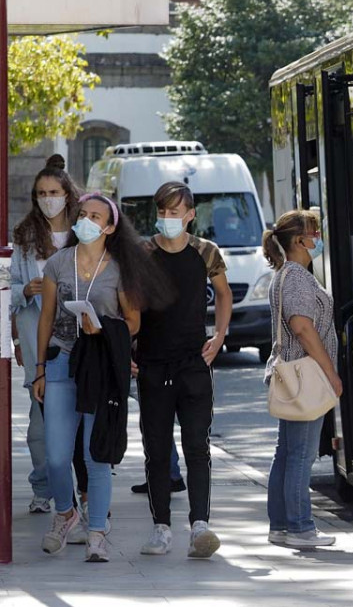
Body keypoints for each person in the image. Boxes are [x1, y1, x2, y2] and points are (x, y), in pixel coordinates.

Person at [33, 192, 167, 562]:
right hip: (62, 362)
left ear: (109, 227)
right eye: (83, 214)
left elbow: (134, 321)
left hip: (103, 365)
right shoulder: (58, 263)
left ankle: (96, 532)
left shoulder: (120, 268)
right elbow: (45, 318)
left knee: (98, 454)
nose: (87, 220)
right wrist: (40, 368)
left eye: (96, 216)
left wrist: (102, 329)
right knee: (58, 457)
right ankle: (65, 512)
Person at [135, 182, 232, 558]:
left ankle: (200, 527)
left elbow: (223, 293)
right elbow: (129, 304)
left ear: (190, 214)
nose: (167, 219)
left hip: (194, 362)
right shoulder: (142, 253)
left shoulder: (206, 252)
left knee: (197, 446)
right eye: (162, 211)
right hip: (152, 363)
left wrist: (220, 335)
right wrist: (128, 345)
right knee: (156, 449)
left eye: (175, 212)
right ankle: (160, 527)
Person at [262, 210, 342, 549]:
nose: (318, 237)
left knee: (287, 451)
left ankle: (281, 525)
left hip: (293, 373)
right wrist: (330, 372)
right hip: (305, 376)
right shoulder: (296, 276)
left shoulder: (287, 274)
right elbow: (302, 326)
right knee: (300, 454)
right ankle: (300, 527)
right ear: (299, 240)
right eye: (315, 231)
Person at [10, 155, 79, 514]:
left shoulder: (83, 232)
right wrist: (26, 290)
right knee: (41, 422)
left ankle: (80, 491)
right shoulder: (24, 237)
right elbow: (9, 289)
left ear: (68, 194)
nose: (47, 198)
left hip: (77, 338)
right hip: (37, 337)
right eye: (41, 192)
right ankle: (44, 487)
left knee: (76, 418)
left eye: (53, 191)